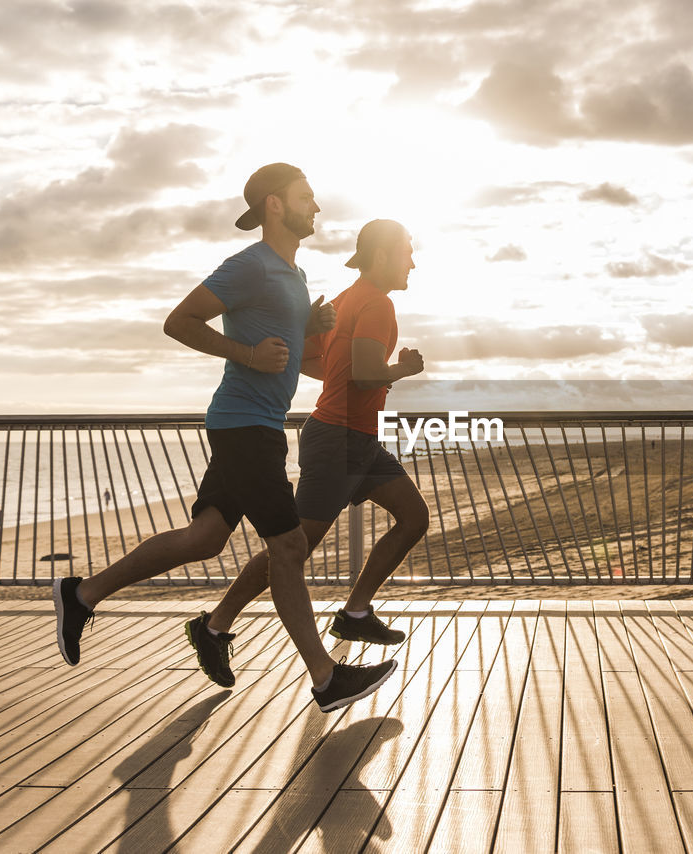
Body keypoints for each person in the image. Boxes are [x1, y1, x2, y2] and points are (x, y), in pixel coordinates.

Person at [53, 164, 398, 713]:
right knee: (287, 546)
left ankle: (82, 593)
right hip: (245, 424)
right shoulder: (251, 267)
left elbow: (277, 341)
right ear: (275, 206)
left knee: (206, 537)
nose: (317, 206)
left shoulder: (294, 274)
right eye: (306, 197)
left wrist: (306, 328)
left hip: (255, 423)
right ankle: (326, 677)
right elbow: (180, 321)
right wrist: (249, 355)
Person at [184, 219, 429, 689]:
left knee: (413, 517)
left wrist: (352, 377)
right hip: (339, 440)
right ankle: (214, 626)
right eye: (406, 252)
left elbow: (311, 359)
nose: (412, 262)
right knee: (291, 548)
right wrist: (402, 368)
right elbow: (362, 373)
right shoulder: (378, 304)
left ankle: (356, 612)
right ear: (381, 255)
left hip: (353, 437)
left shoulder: (343, 300)